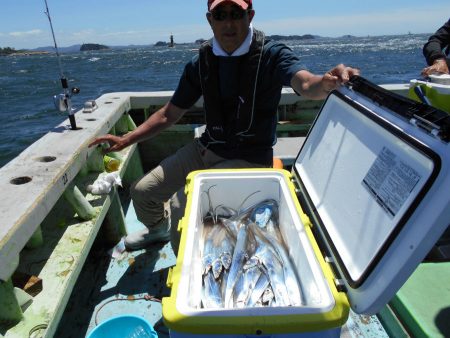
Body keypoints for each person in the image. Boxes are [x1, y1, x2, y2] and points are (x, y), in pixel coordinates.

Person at [89, 0, 360, 252]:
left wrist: (324, 84)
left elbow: (304, 82)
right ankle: (158, 230)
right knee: (143, 191)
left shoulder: (271, 55)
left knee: (183, 208)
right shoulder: (201, 63)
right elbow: (169, 114)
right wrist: (127, 139)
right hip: (207, 148)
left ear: (249, 15)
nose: (228, 23)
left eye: (236, 14)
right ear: (210, 20)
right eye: (220, 15)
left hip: (250, 157)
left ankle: (190, 279)